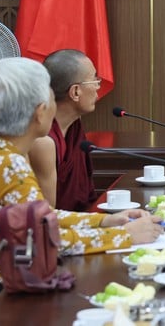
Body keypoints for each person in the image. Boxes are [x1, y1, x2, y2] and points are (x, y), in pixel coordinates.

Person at [0, 57, 163, 324]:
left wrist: (105, 220)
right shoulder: (7, 165)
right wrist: (124, 236)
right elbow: (49, 241)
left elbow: (43, 219)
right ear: (41, 111)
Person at [28, 49, 100, 210]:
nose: (98, 86)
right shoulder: (41, 141)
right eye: (94, 79)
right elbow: (46, 215)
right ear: (75, 92)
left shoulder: (74, 126)